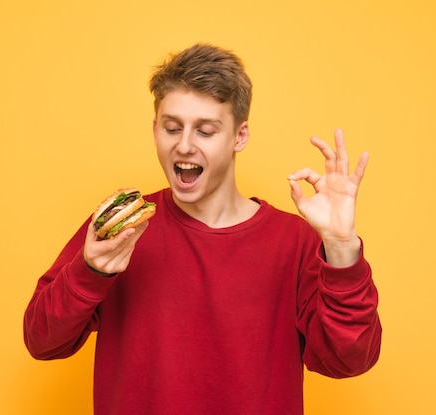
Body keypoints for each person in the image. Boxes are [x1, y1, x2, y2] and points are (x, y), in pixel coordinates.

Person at [24, 43, 382, 415]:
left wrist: (341, 247)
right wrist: (89, 273)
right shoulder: (122, 228)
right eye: (172, 128)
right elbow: (42, 341)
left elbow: (348, 360)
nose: (184, 146)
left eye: (205, 131)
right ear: (155, 129)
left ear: (239, 137)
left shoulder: (293, 241)